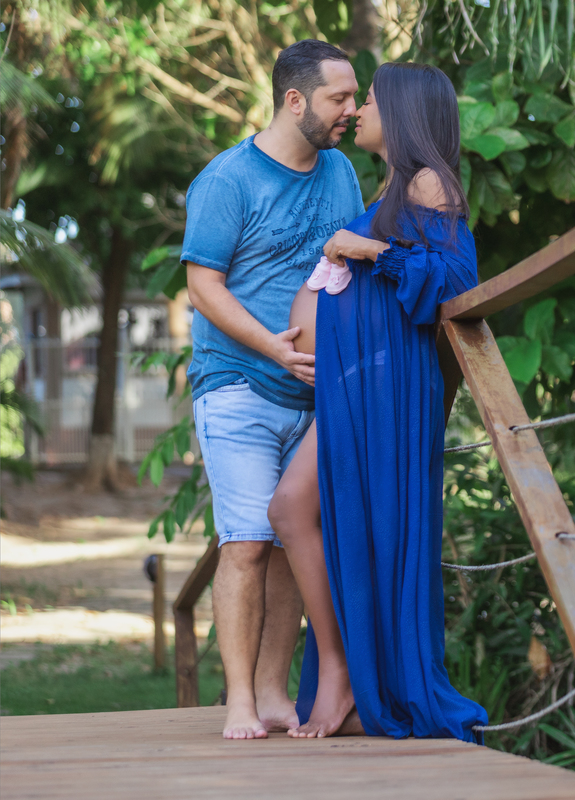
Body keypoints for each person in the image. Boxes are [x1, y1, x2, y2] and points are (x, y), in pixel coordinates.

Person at [268, 62, 487, 741]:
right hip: (359, 387)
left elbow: (450, 277)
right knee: (302, 511)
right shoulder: (398, 185)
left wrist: (366, 248)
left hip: (387, 391)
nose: (359, 109)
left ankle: (345, 677)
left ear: (403, 110)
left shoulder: (428, 181)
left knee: (298, 508)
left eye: (367, 99)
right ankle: (341, 672)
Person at [181, 40, 365, 740]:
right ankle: (236, 702)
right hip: (239, 384)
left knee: (292, 541)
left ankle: (274, 691)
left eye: (354, 98)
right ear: (295, 101)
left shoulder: (341, 173)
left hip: (316, 397)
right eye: (338, 99)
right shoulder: (228, 179)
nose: (351, 111)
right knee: (249, 542)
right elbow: (202, 285)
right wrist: (273, 348)